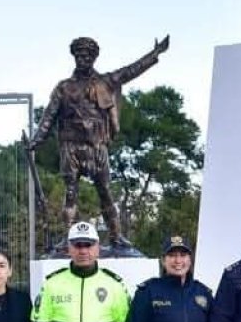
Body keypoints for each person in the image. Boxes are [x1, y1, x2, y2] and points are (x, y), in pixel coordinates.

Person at [28, 35, 169, 248]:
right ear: (74, 57)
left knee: (105, 191)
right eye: (80, 55)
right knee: (71, 193)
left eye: (88, 55)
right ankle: (68, 238)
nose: (83, 58)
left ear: (94, 58)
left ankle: (115, 235)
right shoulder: (63, 88)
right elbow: (49, 116)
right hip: (71, 147)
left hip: (97, 147)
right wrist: (37, 140)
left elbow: (132, 70)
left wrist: (154, 54)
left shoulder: (105, 82)